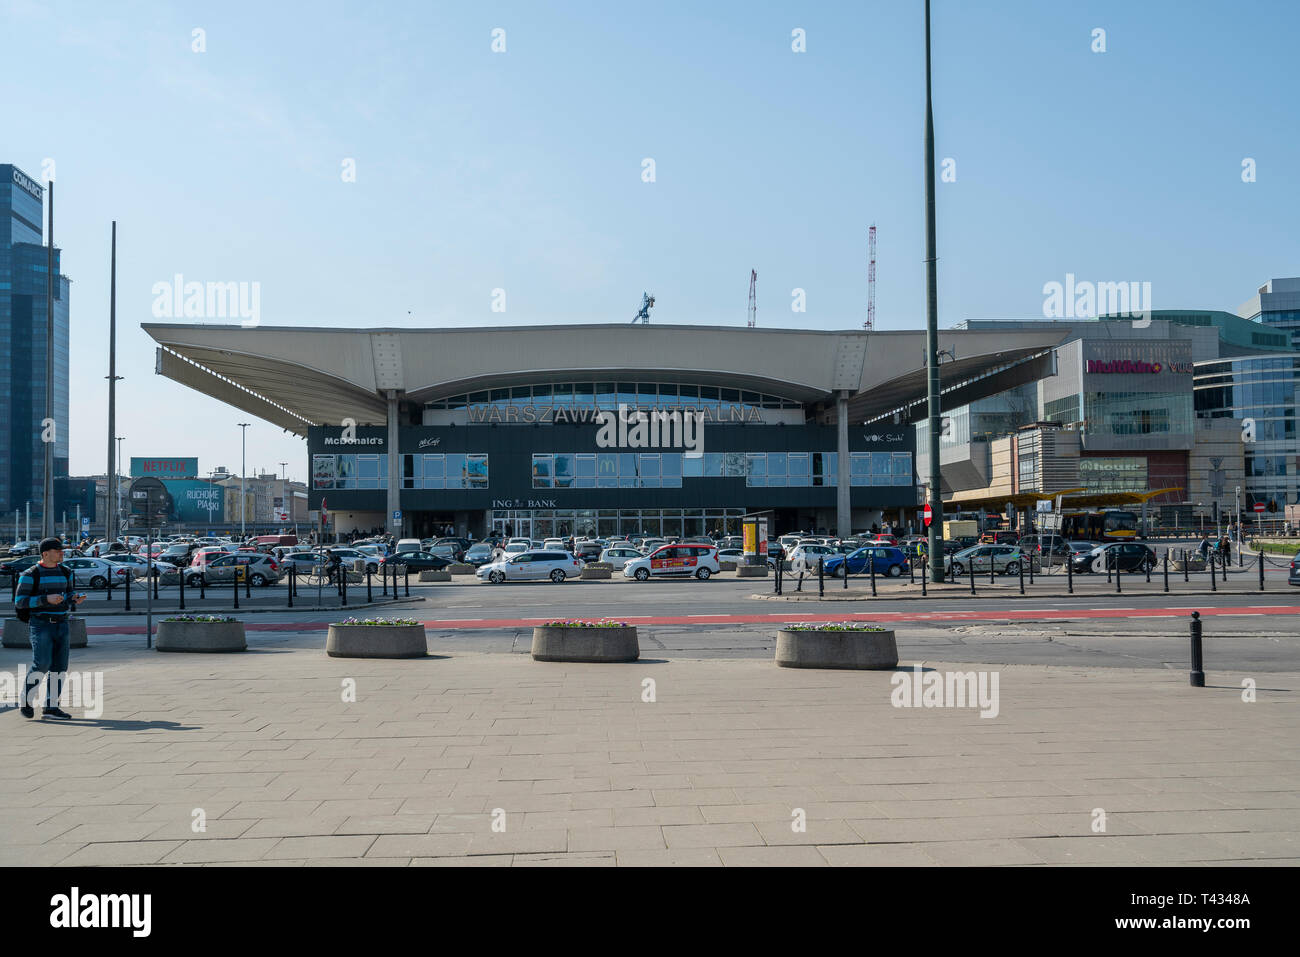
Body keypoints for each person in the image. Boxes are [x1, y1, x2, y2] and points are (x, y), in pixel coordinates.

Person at [15, 538, 86, 719]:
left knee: (60, 667)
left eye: (62, 550)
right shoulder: (30, 574)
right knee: (42, 664)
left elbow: (68, 593)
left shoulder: (65, 571)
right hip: (41, 624)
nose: (62, 553)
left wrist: (74, 598)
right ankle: (26, 699)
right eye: (58, 550)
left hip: (62, 623)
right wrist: (46, 599)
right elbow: (20, 602)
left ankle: (51, 707)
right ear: (45, 554)